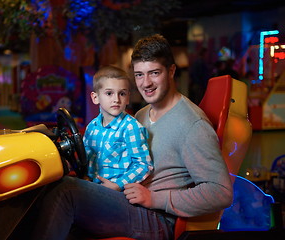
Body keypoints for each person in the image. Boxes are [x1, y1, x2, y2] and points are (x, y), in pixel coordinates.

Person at [31, 34, 233, 240]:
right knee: (49, 185)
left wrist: (155, 199)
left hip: (158, 217)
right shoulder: (142, 114)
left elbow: (220, 192)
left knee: (66, 191)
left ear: (171, 71)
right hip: (127, 200)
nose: (146, 83)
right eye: (139, 75)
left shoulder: (192, 124)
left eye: (154, 73)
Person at [83, 65, 153, 191]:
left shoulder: (131, 127)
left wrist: (118, 185)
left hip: (117, 192)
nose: (116, 99)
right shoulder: (91, 128)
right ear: (95, 97)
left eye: (122, 93)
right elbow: (86, 158)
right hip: (93, 187)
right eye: (109, 93)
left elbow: (143, 165)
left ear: (127, 98)